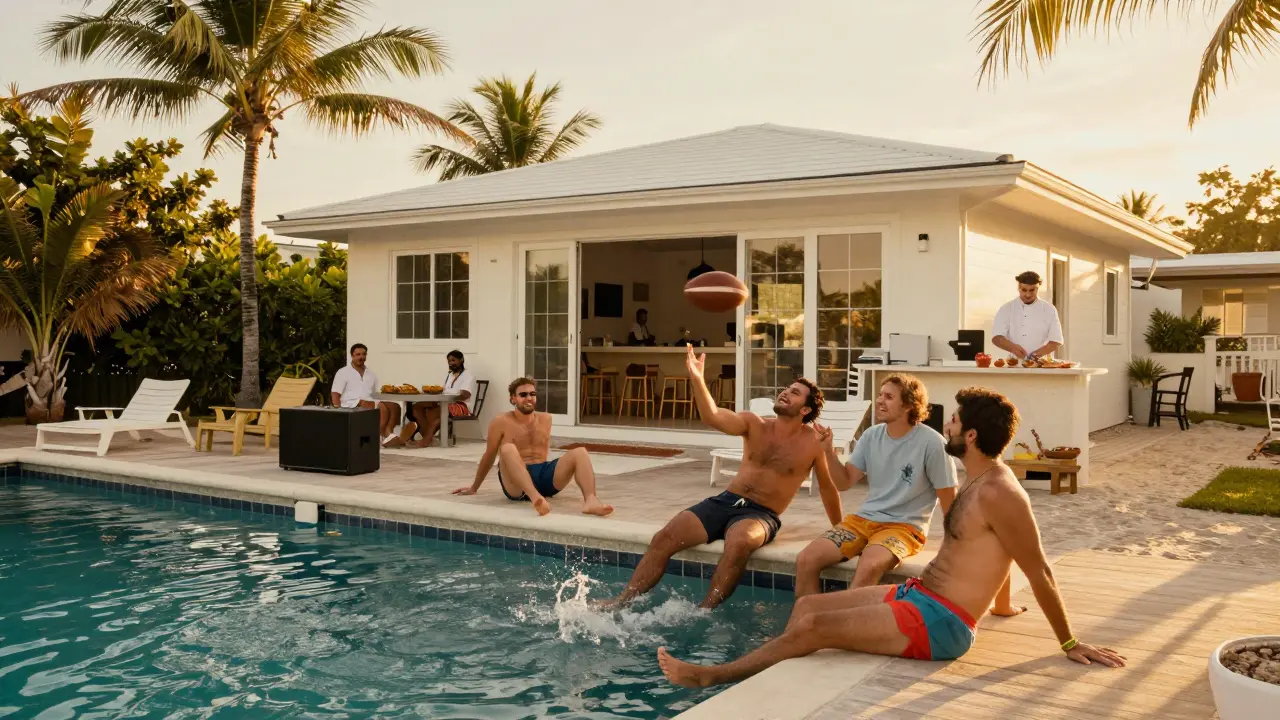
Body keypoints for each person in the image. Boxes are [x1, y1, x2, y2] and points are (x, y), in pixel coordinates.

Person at [655, 386, 1126, 689]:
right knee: (808, 607)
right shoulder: (976, 479)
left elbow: (1036, 568)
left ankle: (713, 677)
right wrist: (1001, 607)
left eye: (955, 420)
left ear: (972, 435)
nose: (947, 424)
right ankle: (780, 667)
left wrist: (1070, 643)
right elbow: (993, 555)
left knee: (815, 629)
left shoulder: (1002, 493)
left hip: (943, 623)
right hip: (920, 596)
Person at [602, 345, 843, 610]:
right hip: (725, 501)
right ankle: (621, 602)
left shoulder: (813, 443)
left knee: (739, 542)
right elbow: (712, 416)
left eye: (795, 392)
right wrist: (697, 378)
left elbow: (828, 488)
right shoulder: (754, 423)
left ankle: (705, 611)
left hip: (761, 515)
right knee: (664, 537)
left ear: (805, 410)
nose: (785, 392)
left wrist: (841, 531)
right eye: (787, 388)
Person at [793, 374, 957, 597]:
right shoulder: (871, 436)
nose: (880, 400)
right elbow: (844, 482)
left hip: (905, 527)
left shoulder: (933, 443)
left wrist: (952, 550)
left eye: (889, 397)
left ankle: (847, 619)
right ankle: (806, 619)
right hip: (863, 521)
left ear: (909, 405)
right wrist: (828, 451)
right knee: (806, 559)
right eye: (880, 395)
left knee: (869, 565)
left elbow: (950, 503)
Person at [452, 378, 614, 517]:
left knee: (580, 452)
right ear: (513, 399)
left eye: (532, 394)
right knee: (507, 448)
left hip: (543, 476)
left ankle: (591, 501)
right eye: (523, 395)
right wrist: (474, 487)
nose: (529, 398)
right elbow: (489, 455)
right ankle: (536, 499)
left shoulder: (546, 419)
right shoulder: (501, 421)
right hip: (516, 485)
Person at [389, 350, 477, 448]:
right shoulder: (450, 375)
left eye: (453, 360)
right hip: (445, 402)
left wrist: (446, 396)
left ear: (461, 360)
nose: (451, 363)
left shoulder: (468, 375)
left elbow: (465, 395)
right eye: (449, 361)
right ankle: (429, 438)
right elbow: (444, 390)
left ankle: (425, 441)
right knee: (417, 407)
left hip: (462, 406)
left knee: (435, 415)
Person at [330, 343, 400, 440]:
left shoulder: (371, 374)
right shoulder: (343, 372)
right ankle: (378, 437)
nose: (361, 357)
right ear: (352, 356)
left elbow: (375, 393)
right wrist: (337, 412)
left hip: (369, 401)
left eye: (363, 354)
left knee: (395, 406)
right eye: (358, 354)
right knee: (381, 407)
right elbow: (335, 393)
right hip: (350, 403)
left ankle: (388, 432)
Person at [992, 271, 1064, 362]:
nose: (1028, 295)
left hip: (1042, 364)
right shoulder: (1006, 308)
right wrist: (1013, 348)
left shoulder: (1049, 309)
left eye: (1032, 290)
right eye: (1024, 290)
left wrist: (1036, 355)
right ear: (1018, 288)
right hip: (1014, 364)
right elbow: (997, 337)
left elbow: (1056, 340)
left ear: (1038, 288)